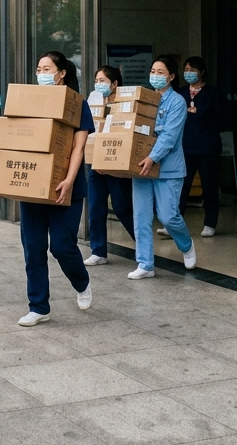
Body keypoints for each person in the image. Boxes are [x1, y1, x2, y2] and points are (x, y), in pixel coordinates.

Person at [17, 52, 95, 327]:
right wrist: (9, 181)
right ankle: (39, 306)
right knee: (33, 248)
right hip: (34, 187)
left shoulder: (77, 104)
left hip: (66, 187)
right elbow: (17, 139)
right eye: (38, 68)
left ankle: (82, 282)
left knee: (62, 246)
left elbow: (78, 147)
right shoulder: (31, 101)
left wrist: (70, 180)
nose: (41, 73)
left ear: (61, 73)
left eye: (46, 68)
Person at [128, 58, 196, 279]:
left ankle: (186, 245)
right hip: (141, 167)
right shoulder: (145, 99)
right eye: (152, 71)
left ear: (171, 77)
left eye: (160, 72)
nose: (155, 75)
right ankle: (145, 264)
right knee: (141, 216)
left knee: (168, 216)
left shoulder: (176, 102)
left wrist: (152, 157)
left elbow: (169, 136)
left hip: (168, 168)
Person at [84, 65, 135, 265]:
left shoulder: (125, 101)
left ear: (114, 83)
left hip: (116, 161)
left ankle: (143, 245)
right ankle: (98, 251)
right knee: (96, 206)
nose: (99, 84)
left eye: (103, 80)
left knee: (122, 207)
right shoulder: (94, 99)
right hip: (95, 162)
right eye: (97, 80)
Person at [177, 56, 229, 237]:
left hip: (208, 148)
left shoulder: (213, 94)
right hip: (186, 146)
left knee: (210, 186)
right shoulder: (181, 93)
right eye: (186, 70)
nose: (188, 73)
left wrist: (201, 115)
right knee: (181, 185)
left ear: (202, 72)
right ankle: (174, 222)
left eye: (192, 70)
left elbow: (224, 120)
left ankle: (210, 223)